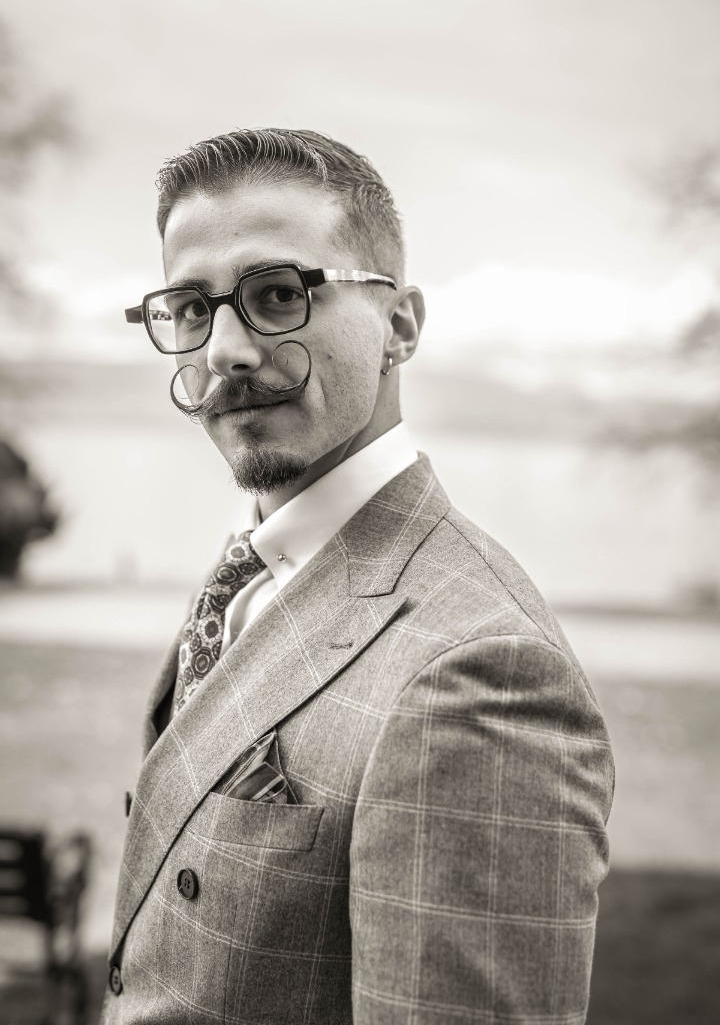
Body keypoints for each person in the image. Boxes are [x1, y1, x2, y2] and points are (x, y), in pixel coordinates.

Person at [102, 129, 614, 1025]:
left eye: (277, 294)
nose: (224, 351)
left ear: (399, 326)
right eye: (190, 307)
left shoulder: (481, 672)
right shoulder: (254, 573)